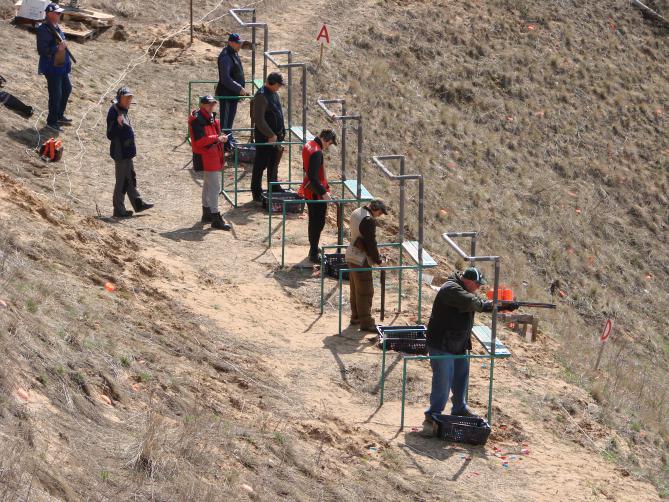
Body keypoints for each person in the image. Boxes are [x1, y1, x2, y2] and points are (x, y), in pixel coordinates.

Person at [422, 268, 519, 436]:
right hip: (442, 343)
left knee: (461, 377)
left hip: (456, 343)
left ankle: (459, 408)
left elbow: (477, 303)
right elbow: (474, 303)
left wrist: (501, 306)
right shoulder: (451, 289)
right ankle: (432, 416)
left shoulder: (460, 289)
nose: (478, 288)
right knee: (443, 381)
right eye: (477, 284)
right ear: (468, 281)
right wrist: (498, 305)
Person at [106, 87, 154, 218]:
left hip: (127, 152)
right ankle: (119, 210)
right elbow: (110, 134)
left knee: (130, 178)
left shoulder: (122, 110)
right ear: (119, 98)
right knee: (122, 181)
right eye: (126, 98)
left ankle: (138, 204)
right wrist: (118, 125)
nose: (128, 101)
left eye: (130, 98)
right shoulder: (113, 111)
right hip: (120, 152)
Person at [344, 199, 389, 332]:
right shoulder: (368, 220)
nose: (379, 215)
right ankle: (366, 323)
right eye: (380, 212)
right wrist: (379, 261)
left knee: (355, 290)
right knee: (365, 291)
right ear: (375, 208)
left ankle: (356, 317)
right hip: (360, 259)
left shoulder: (357, 211)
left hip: (351, 255)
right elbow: (371, 243)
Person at [189, 95, 232, 231]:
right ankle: (215, 217)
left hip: (212, 155)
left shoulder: (209, 117)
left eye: (213, 103)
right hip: (206, 156)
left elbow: (211, 137)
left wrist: (220, 138)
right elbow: (200, 141)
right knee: (215, 187)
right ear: (202, 105)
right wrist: (217, 138)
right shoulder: (198, 120)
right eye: (209, 104)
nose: (212, 106)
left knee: (208, 185)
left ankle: (207, 212)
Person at [298, 129, 337, 263]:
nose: (328, 146)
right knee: (318, 222)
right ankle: (313, 252)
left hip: (310, 190)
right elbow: (313, 178)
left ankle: (313, 247)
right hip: (315, 193)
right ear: (326, 140)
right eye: (329, 143)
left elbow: (307, 170)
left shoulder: (309, 145)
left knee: (314, 221)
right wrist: (324, 193)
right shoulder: (317, 152)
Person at [36, 3, 72, 132]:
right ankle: (52, 122)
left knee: (67, 89)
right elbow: (42, 50)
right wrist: (57, 48)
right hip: (51, 67)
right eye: (57, 13)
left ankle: (59, 115)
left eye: (60, 13)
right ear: (50, 14)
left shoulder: (56, 26)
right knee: (56, 95)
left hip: (61, 66)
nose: (60, 15)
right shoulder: (43, 29)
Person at [250, 72, 286, 202]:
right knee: (261, 163)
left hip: (276, 136)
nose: (279, 87)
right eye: (278, 84)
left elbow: (278, 113)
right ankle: (256, 191)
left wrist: (282, 132)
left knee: (274, 162)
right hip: (265, 137)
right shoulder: (261, 96)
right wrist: (270, 134)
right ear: (272, 83)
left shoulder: (274, 94)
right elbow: (258, 119)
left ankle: (273, 186)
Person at [216, 33, 247, 149]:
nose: (240, 45)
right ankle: (224, 145)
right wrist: (239, 88)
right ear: (230, 42)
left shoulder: (233, 53)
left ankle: (229, 139)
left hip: (233, 94)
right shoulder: (225, 56)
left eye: (240, 43)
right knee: (225, 122)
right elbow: (225, 78)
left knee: (230, 120)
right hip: (227, 94)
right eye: (237, 43)